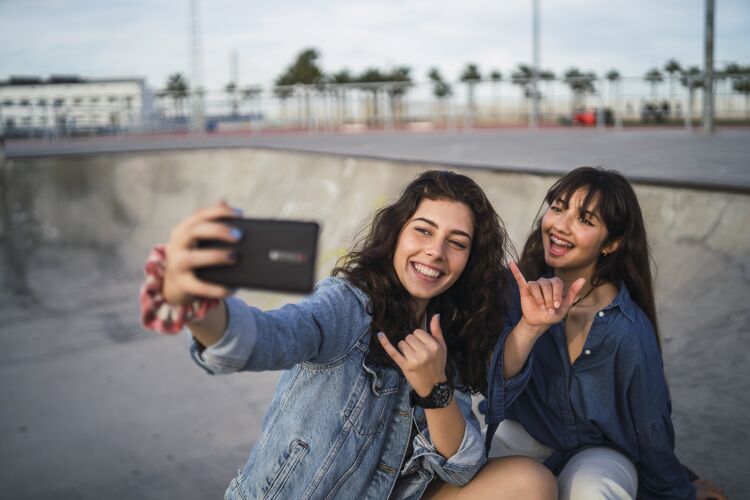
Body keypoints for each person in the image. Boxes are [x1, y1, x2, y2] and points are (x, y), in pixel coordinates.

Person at [140, 170, 556, 499]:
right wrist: (194, 302)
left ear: (469, 260)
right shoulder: (347, 305)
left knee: (529, 482)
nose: (436, 251)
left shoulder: (447, 332)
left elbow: (460, 465)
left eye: (457, 242)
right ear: (397, 233)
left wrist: (435, 389)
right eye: (424, 230)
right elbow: (265, 337)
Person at [483, 167, 727, 500]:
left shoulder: (627, 329)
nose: (560, 226)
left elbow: (649, 426)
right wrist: (530, 326)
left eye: (585, 220)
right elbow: (493, 391)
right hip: (524, 435)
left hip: (598, 454)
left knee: (595, 489)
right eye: (557, 207)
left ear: (611, 243)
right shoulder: (514, 291)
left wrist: (681, 490)